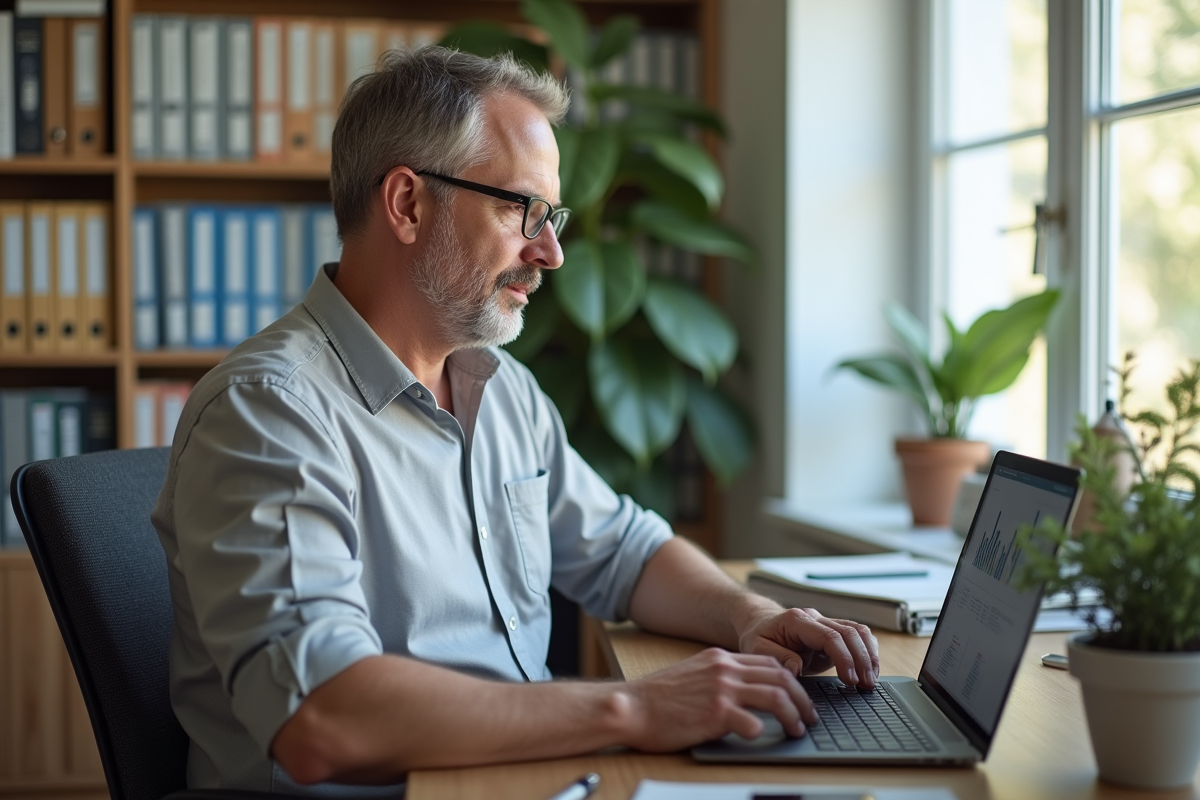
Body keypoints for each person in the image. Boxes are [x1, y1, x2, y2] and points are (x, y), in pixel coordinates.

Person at [152, 46, 879, 795]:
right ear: (407, 204)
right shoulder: (268, 412)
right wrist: (633, 705)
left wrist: (749, 616)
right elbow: (323, 718)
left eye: (551, 214)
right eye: (521, 209)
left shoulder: (502, 388)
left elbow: (624, 552)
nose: (552, 251)